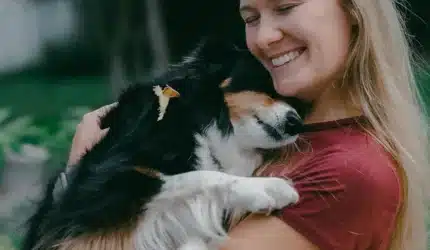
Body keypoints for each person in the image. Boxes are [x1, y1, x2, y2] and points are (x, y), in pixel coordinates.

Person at [66, 0, 429, 249]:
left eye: (285, 7)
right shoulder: (279, 134)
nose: (264, 38)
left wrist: (84, 176)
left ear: (353, 10)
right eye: (251, 18)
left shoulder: (351, 172)